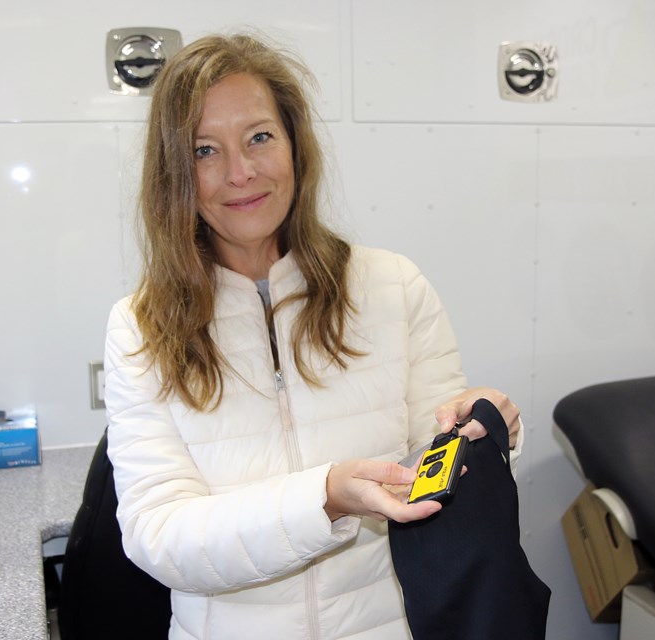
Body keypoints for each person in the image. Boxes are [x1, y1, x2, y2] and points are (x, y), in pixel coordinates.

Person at [104, 32, 524, 639]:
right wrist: (323, 498)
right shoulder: (139, 327)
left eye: (259, 137)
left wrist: (483, 431)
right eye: (204, 150)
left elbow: (434, 471)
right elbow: (159, 536)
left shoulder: (393, 286)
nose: (240, 172)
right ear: (174, 172)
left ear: (295, 145)